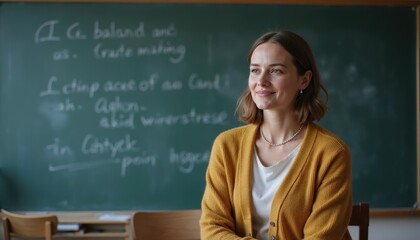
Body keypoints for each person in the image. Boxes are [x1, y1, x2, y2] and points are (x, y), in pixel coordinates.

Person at [200, 30, 352, 240]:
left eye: (276, 71)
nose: (261, 81)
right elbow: (212, 227)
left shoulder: (331, 153)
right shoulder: (226, 145)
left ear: (304, 80)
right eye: (255, 70)